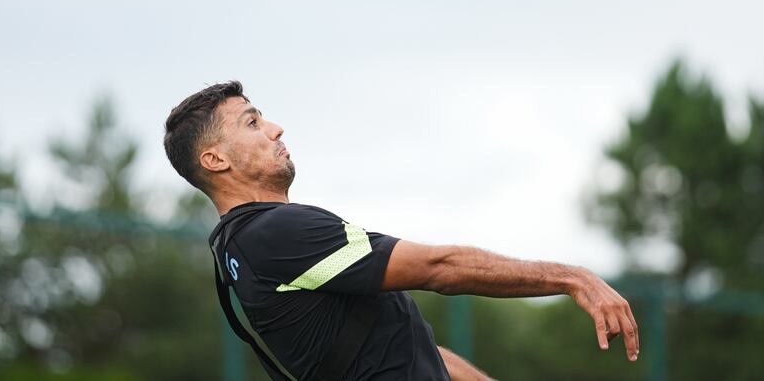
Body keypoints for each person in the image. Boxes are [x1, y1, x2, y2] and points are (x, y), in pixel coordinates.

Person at [163, 81, 639, 381]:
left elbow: (397, 345)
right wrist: (573, 278)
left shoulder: (238, 248)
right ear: (215, 160)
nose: (276, 128)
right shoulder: (278, 232)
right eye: (252, 122)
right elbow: (439, 268)